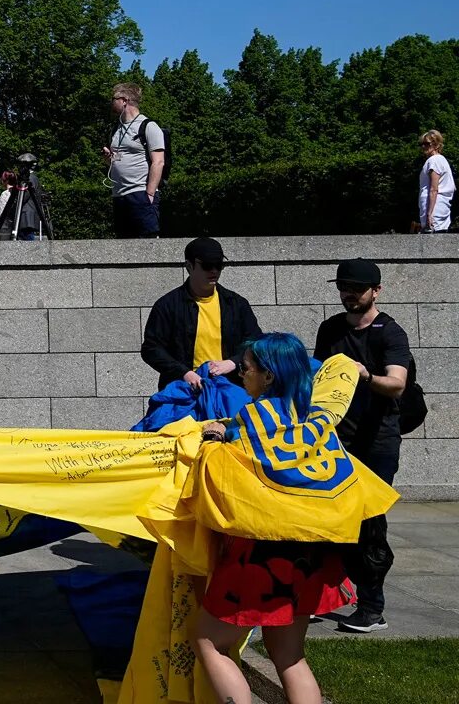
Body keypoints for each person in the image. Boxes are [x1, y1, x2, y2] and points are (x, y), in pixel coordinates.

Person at [191, 334, 353, 704]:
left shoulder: (253, 416)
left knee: (209, 641)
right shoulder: (316, 417)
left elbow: (227, 468)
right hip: (311, 551)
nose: (240, 376)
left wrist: (216, 437)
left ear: (267, 377)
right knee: (289, 655)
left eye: (245, 369)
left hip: (262, 556)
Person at [314, 258, 412, 633]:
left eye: (356, 287)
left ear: (376, 291)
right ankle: (325, 595)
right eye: (343, 287)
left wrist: (364, 374)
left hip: (377, 442)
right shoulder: (331, 329)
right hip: (336, 439)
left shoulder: (390, 332)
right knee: (327, 516)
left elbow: (397, 384)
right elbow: (319, 376)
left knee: (369, 522)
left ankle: (372, 607)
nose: (348, 293)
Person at [141, 236, 262, 390]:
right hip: (184, 391)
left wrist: (232, 362)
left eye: (218, 265)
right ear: (189, 266)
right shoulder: (168, 305)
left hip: (229, 389)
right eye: (207, 265)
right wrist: (184, 373)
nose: (214, 271)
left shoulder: (236, 304)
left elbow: (256, 342)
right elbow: (151, 349)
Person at [104, 81, 166, 239]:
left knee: (148, 241)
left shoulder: (148, 126)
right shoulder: (115, 129)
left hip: (140, 194)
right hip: (119, 195)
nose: (111, 102)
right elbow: (115, 162)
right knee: (124, 244)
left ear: (124, 101)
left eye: (114, 98)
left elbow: (158, 161)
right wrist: (109, 159)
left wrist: (150, 194)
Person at [418, 130, 453, 233]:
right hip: (439, 206)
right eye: (422, 144)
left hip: (434, 208)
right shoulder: (442, 160)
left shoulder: (434, 160)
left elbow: (434, 189)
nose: (423, 147)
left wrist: (430, 213)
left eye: (427, 144)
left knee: (432, 239)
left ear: (436, 145)